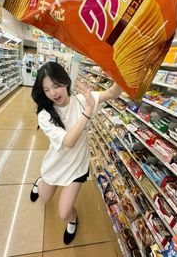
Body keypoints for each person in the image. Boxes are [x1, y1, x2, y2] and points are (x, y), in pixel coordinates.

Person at [30, 61, 122, 245]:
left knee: (64, 212)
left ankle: (73, 219)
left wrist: (115, 72)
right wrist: (88, 111)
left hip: (77, 167)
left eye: (56, 86)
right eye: (47, 90)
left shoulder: (82, 99)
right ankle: (41, 179)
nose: (53, 93)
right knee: (44, 197)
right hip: (55, 164)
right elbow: (69, 142)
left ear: (65, 81)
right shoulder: (45, 114)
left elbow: (113, 92)